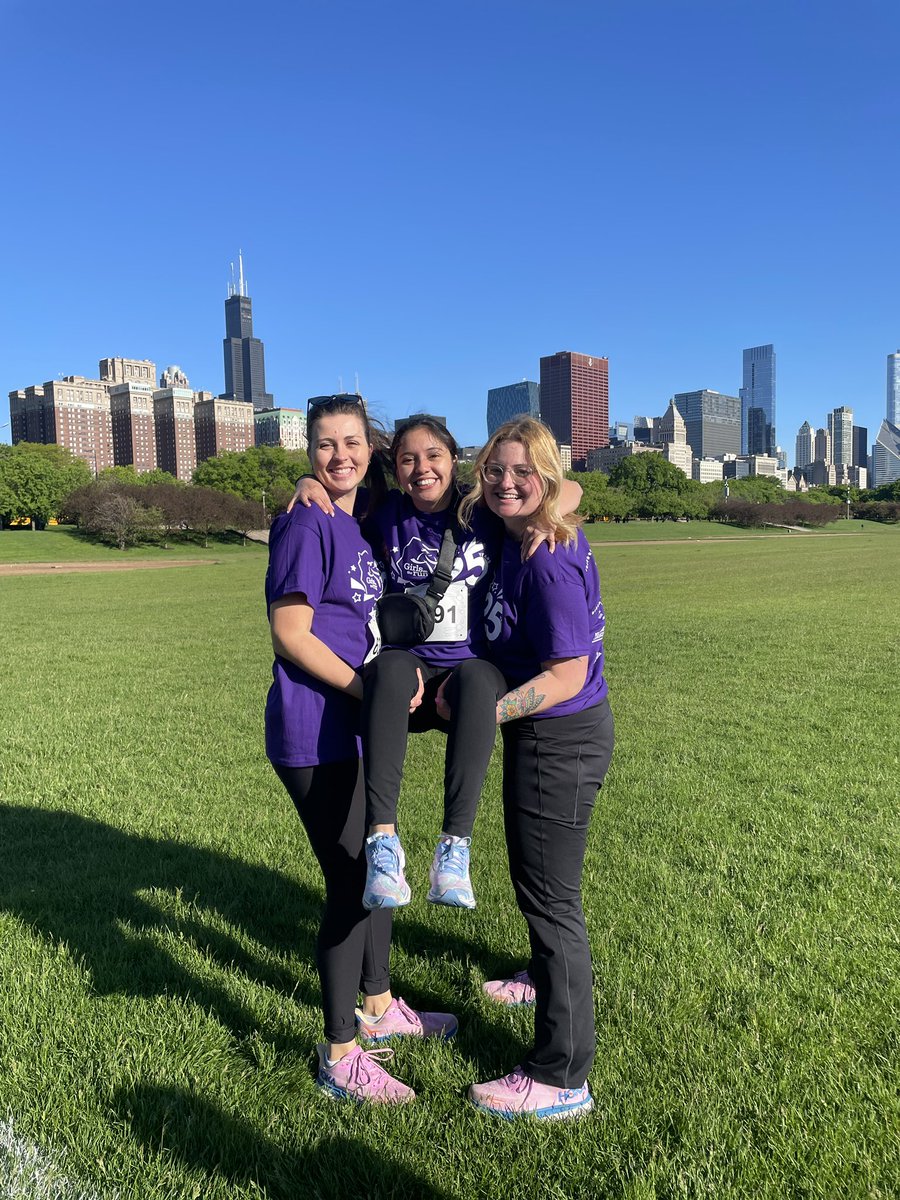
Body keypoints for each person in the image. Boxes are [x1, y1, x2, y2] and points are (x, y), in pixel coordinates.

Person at [292, 415, 582, 913]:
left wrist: (543, 519)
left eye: (433, 457)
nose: (421, 468)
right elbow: (333, 490)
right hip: (409, 669)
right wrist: (304, 481)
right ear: (396, 468)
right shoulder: (383, 511)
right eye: (408, 459)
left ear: (454, 461)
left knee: (477, 680)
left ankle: (454, 852)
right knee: (385, 670)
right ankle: (384, 845)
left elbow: (567, 488)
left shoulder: (483, 509)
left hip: (469, 670)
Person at [265, 395, 456, 1107]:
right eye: (323, 445)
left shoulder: (354, 521)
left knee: (380, 865)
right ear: (308, 453)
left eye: (350, 443)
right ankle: (339, 1052)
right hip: (313, 728)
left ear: (369, 450)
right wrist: (366, 690)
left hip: (354, 727)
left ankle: (377, 1007)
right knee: (351, 880)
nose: (338, 456)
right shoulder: (309, 522)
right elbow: (291, 631)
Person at [455, 417, 615, 1121]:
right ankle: (538, 978)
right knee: (542, 886)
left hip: (560, 735)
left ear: (544, 476)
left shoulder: (547, 556)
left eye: (524, 473)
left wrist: (484, 717)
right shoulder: (516, 527)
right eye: (496, 469)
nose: (506, 483)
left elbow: (567, 674)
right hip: (551, 735)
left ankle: (561, 1074)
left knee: (552, 901)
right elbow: (567, 488)